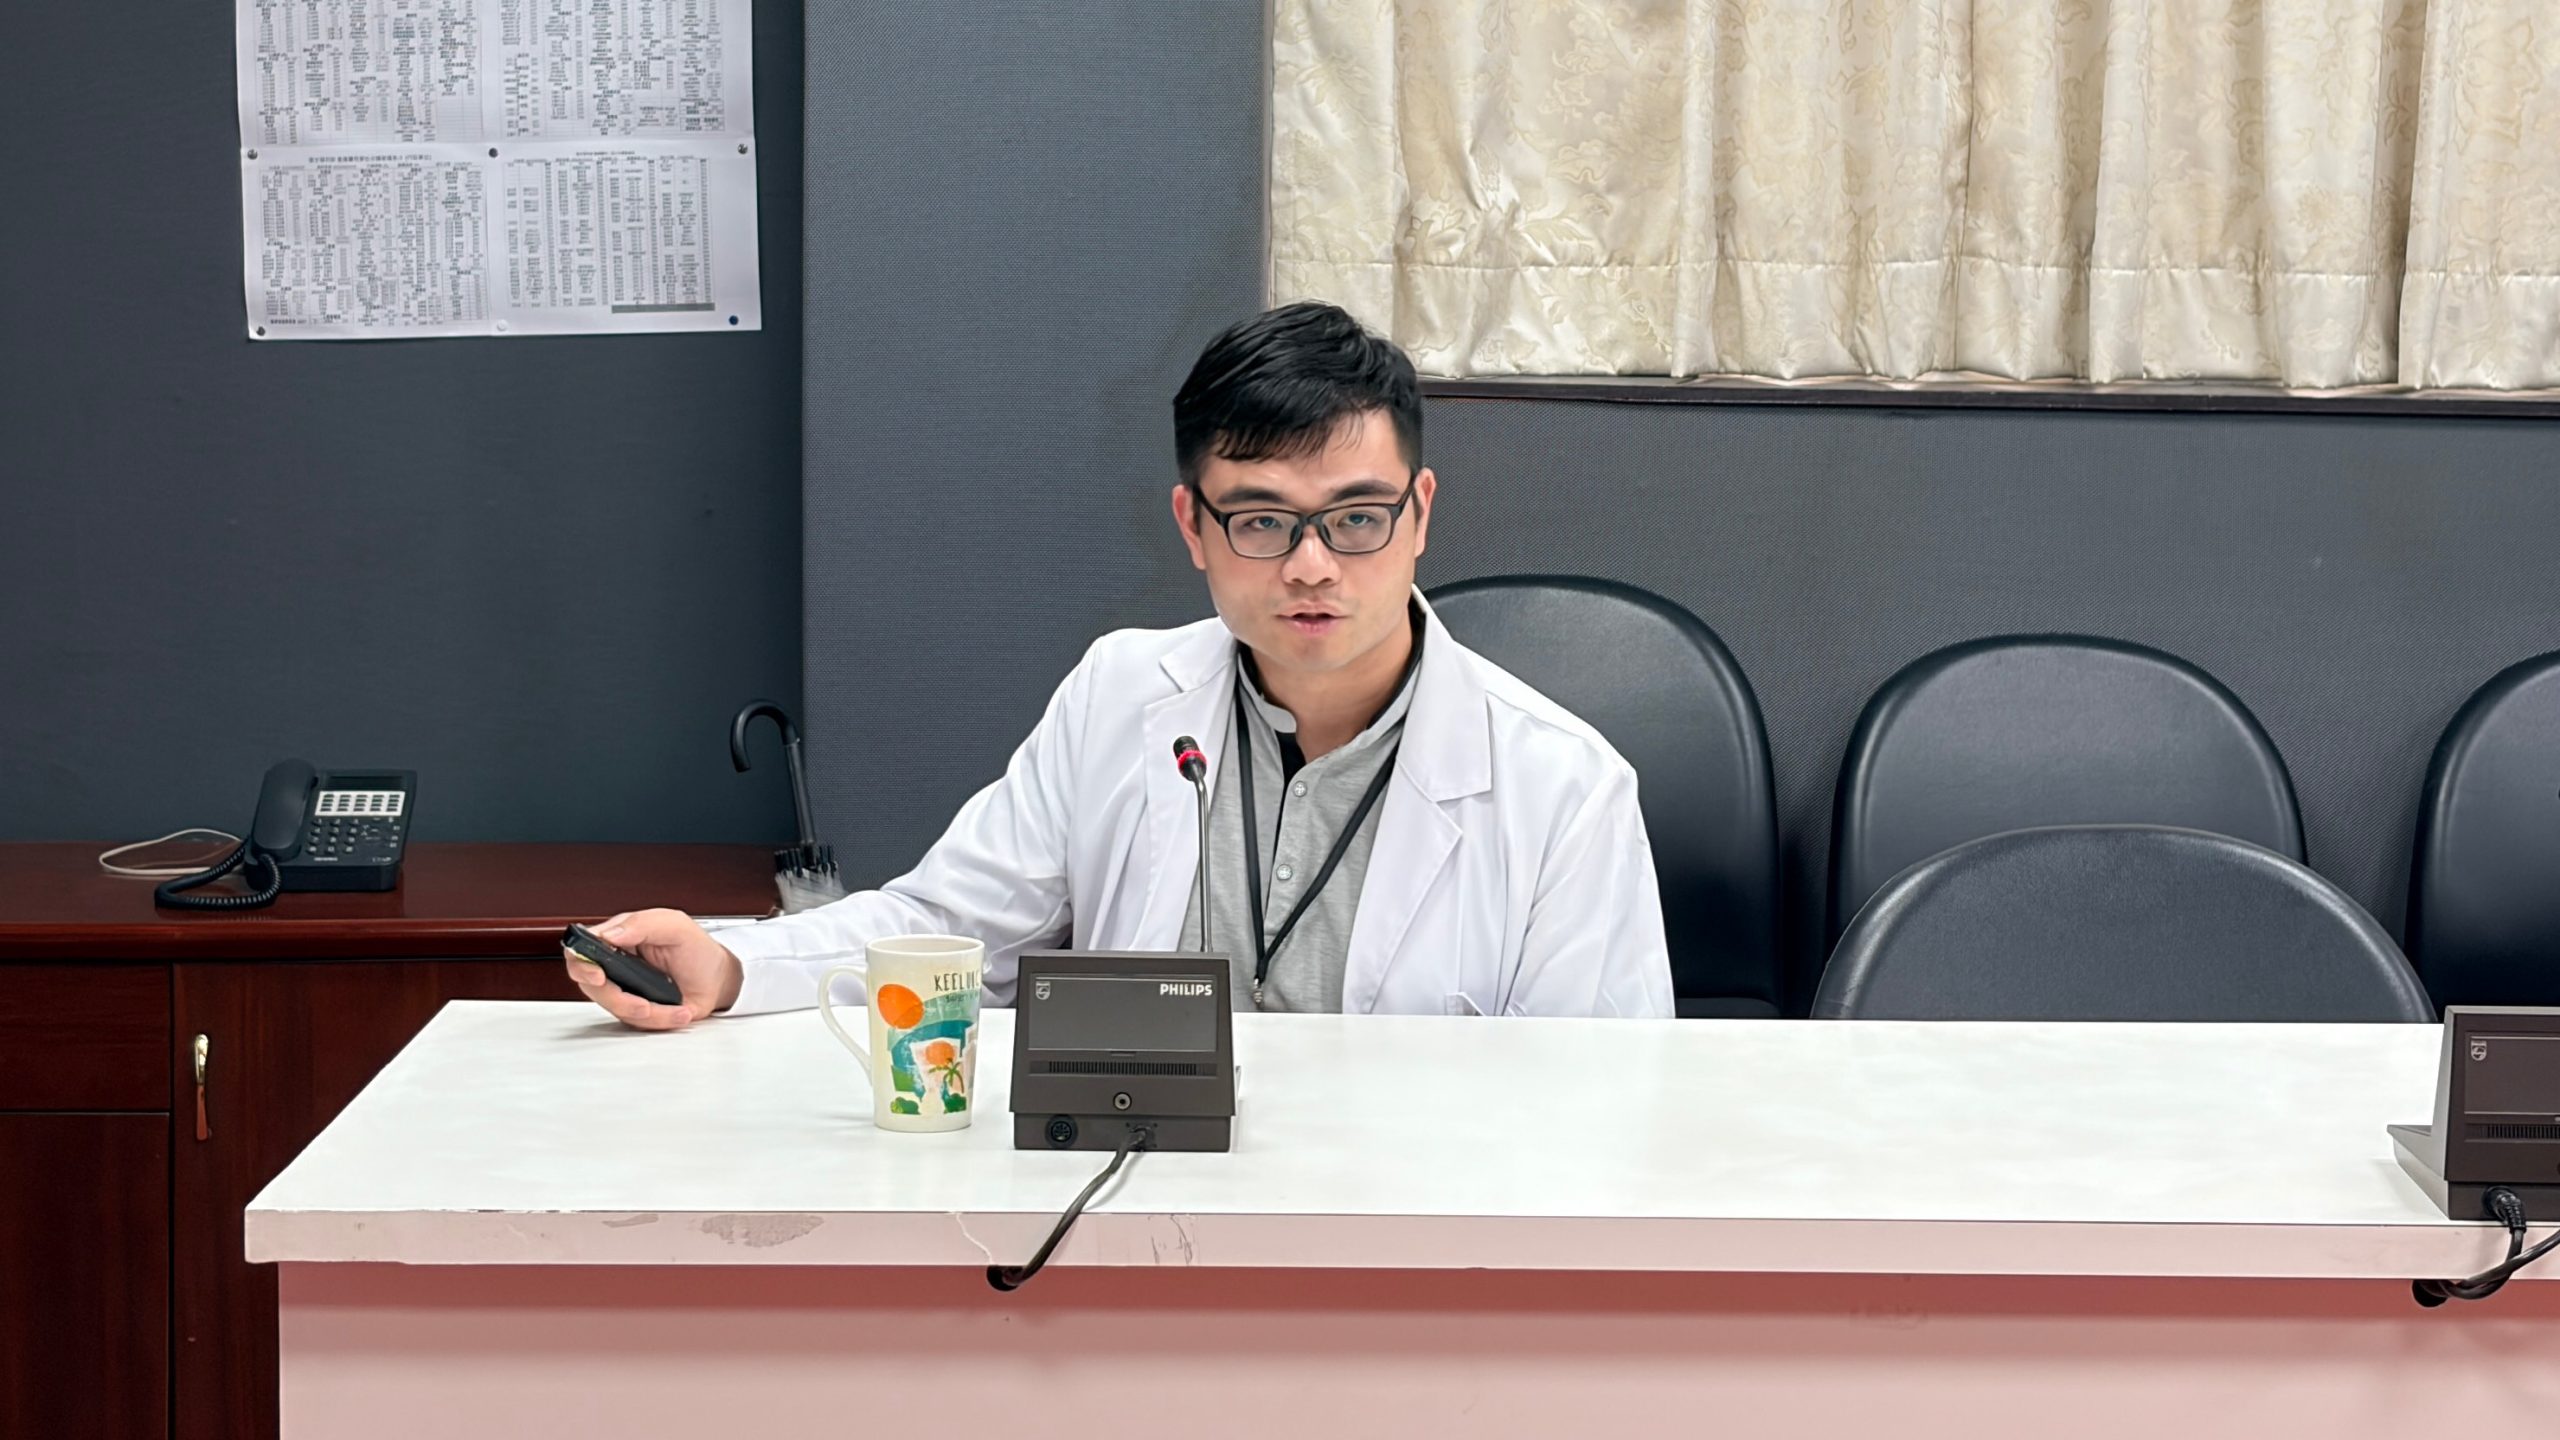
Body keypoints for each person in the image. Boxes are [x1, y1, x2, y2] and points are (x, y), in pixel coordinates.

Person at [566, 302, 1672, 1027]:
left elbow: (1603, 1106)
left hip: (1408, 1246)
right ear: (1192, 527)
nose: (1311, 566)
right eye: (1260, 522)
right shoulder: (1122, 697)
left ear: (1419, 514)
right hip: (1131, 1214)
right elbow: (947, 933)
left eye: (1356, 518)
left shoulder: (1563, 787)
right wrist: (732, 966)